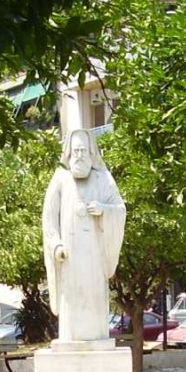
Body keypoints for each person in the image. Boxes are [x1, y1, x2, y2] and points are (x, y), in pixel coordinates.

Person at [42, 128, 126, 343]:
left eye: (83, 151)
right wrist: (56, 245)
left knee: (94, 300)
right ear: (69, 153)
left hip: (94, 258)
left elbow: (120, 209)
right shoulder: (60, 179)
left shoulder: (103, 179)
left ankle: (96, 335)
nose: (79, 155)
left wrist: (103, 210)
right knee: (71, 301)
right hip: (70, 259)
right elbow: (49, 219)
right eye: (75, 151)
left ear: (91, 153)